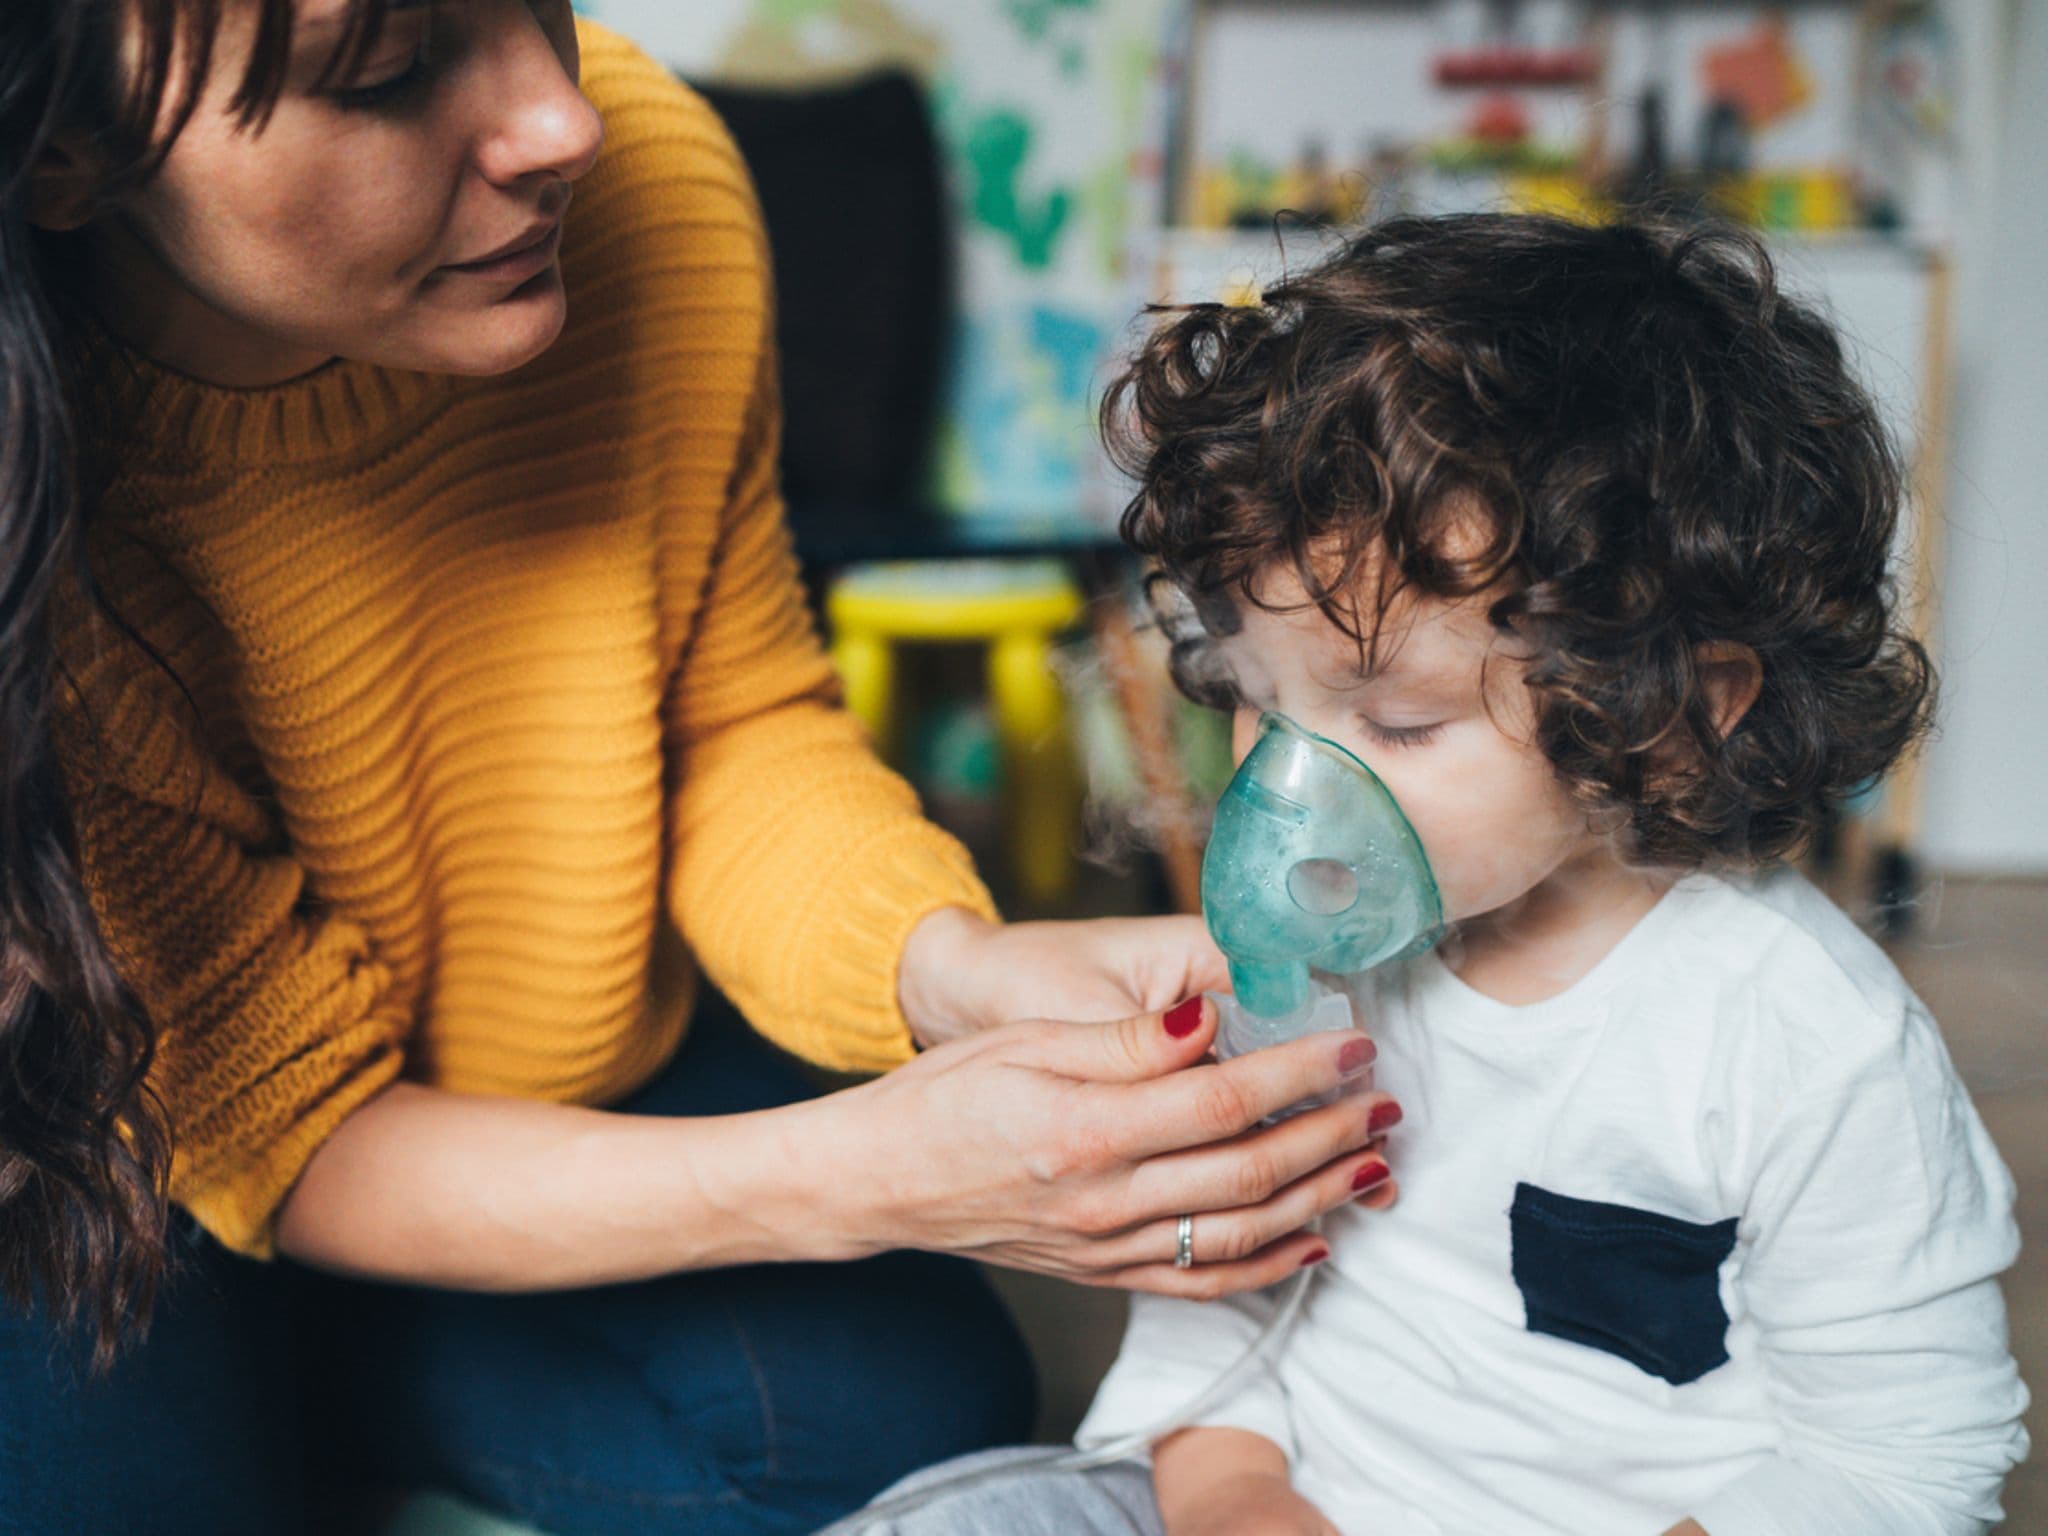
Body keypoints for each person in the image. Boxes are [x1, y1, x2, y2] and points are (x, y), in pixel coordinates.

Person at [0, 4, 1404, 1532]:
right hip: (104, 1156)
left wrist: (954, 969)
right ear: (64, 154)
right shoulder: (38, 483)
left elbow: (727, 725)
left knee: (912, 1421)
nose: (565, 122)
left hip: (540, 1060)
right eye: (388, 73)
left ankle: (340, 1354)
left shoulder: (648, 182)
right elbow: (290, 1123)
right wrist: (856, 1174)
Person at [859, 215, 2029, 1534]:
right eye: (1256, 697)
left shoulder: (1808, 1047)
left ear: (1667, 715)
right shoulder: (1301, 962)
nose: (1289, 784)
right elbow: (1219, 1294)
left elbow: (1903, 1462)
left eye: (1401, 721)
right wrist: (1236, 1497)